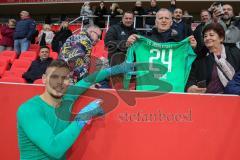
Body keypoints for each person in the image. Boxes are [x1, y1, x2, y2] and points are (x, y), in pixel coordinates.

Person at [17, 58, 134, 159]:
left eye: (65, 78)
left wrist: (118, 68)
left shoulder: (68, 96)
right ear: (44, 79)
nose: (59, 83)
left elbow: (89, 80)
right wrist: (82, 118)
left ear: (70, 81)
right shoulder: (29, 110)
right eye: (54, 77)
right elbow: (54, 149)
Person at [186, 23, 240, 94]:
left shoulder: (235, 52)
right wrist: (190, 87)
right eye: (205, 36)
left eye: (211, 35)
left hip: (234, 97)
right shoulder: (200, 57)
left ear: (221, 38)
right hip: (209, 99)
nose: (207, 38)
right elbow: (191, 78)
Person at [127, 8, 196, 46]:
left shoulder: (179, 43)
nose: (164, 20)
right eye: (160, 18)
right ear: (156, 22)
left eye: (167, 18)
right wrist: (129, 45)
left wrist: (192, 48)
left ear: (171, 22)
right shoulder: (145, 40)